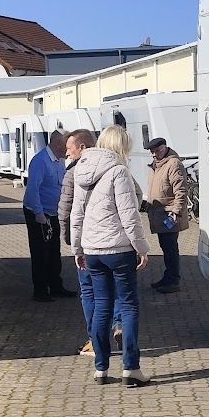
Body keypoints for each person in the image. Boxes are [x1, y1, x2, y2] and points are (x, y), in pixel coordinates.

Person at [70, 125, 150, 386]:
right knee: (128, 306)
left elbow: (76, 215)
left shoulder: (81, 170)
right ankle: (131, 368)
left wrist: (77, 249)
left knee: (101, 306)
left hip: (92, 251)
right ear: (122, 147)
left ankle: (101, 368)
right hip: (119, 249)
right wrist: (142, 248)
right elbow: (130, 216)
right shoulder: (119, 171)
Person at [59, 129, 118, 357]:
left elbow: (64, 211)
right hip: (111, 242)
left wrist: (69, 240)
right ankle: (116, 328)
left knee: (89, 293)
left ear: (82, 147)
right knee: (109, 292)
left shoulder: (73, 173)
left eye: (69, 147)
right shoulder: (114, 167)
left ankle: (96, 342)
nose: (67, 152)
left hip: (85, 244)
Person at [23, 130, 74, 302]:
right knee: (40, 252)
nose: (67, 150)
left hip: (53, 212)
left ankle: (56, 286)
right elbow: (32, 191)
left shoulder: (59, 161)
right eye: (66, 146)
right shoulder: (40, 161)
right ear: (59, 144)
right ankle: (40, 290)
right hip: (39, 213)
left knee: (54, 250)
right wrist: (39, 214)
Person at [143, 137, 190, 294]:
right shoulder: (156, 165)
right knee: (166, 247)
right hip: (159, 215)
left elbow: (181, 191)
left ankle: (173, 280)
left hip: (169, 216)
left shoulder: (173, 164)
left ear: (164, 148)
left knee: (170, 249)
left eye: (157, 151)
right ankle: (168, 276)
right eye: (152, 152)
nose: (154, 155)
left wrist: (176, 212)